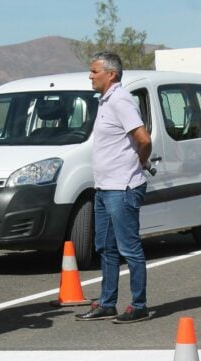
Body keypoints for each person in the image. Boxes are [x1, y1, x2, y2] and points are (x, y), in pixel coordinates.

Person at [77, 51, 152, 324]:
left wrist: (138, 165)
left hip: (123, 188)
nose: (90, 75)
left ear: (111, 74)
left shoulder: (121, 100)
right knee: (105, 247)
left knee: (129, 248)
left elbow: (143, 139)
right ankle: (107, 303)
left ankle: (138, 304)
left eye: (94, 71)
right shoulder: (104, 101)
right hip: (104, 188)